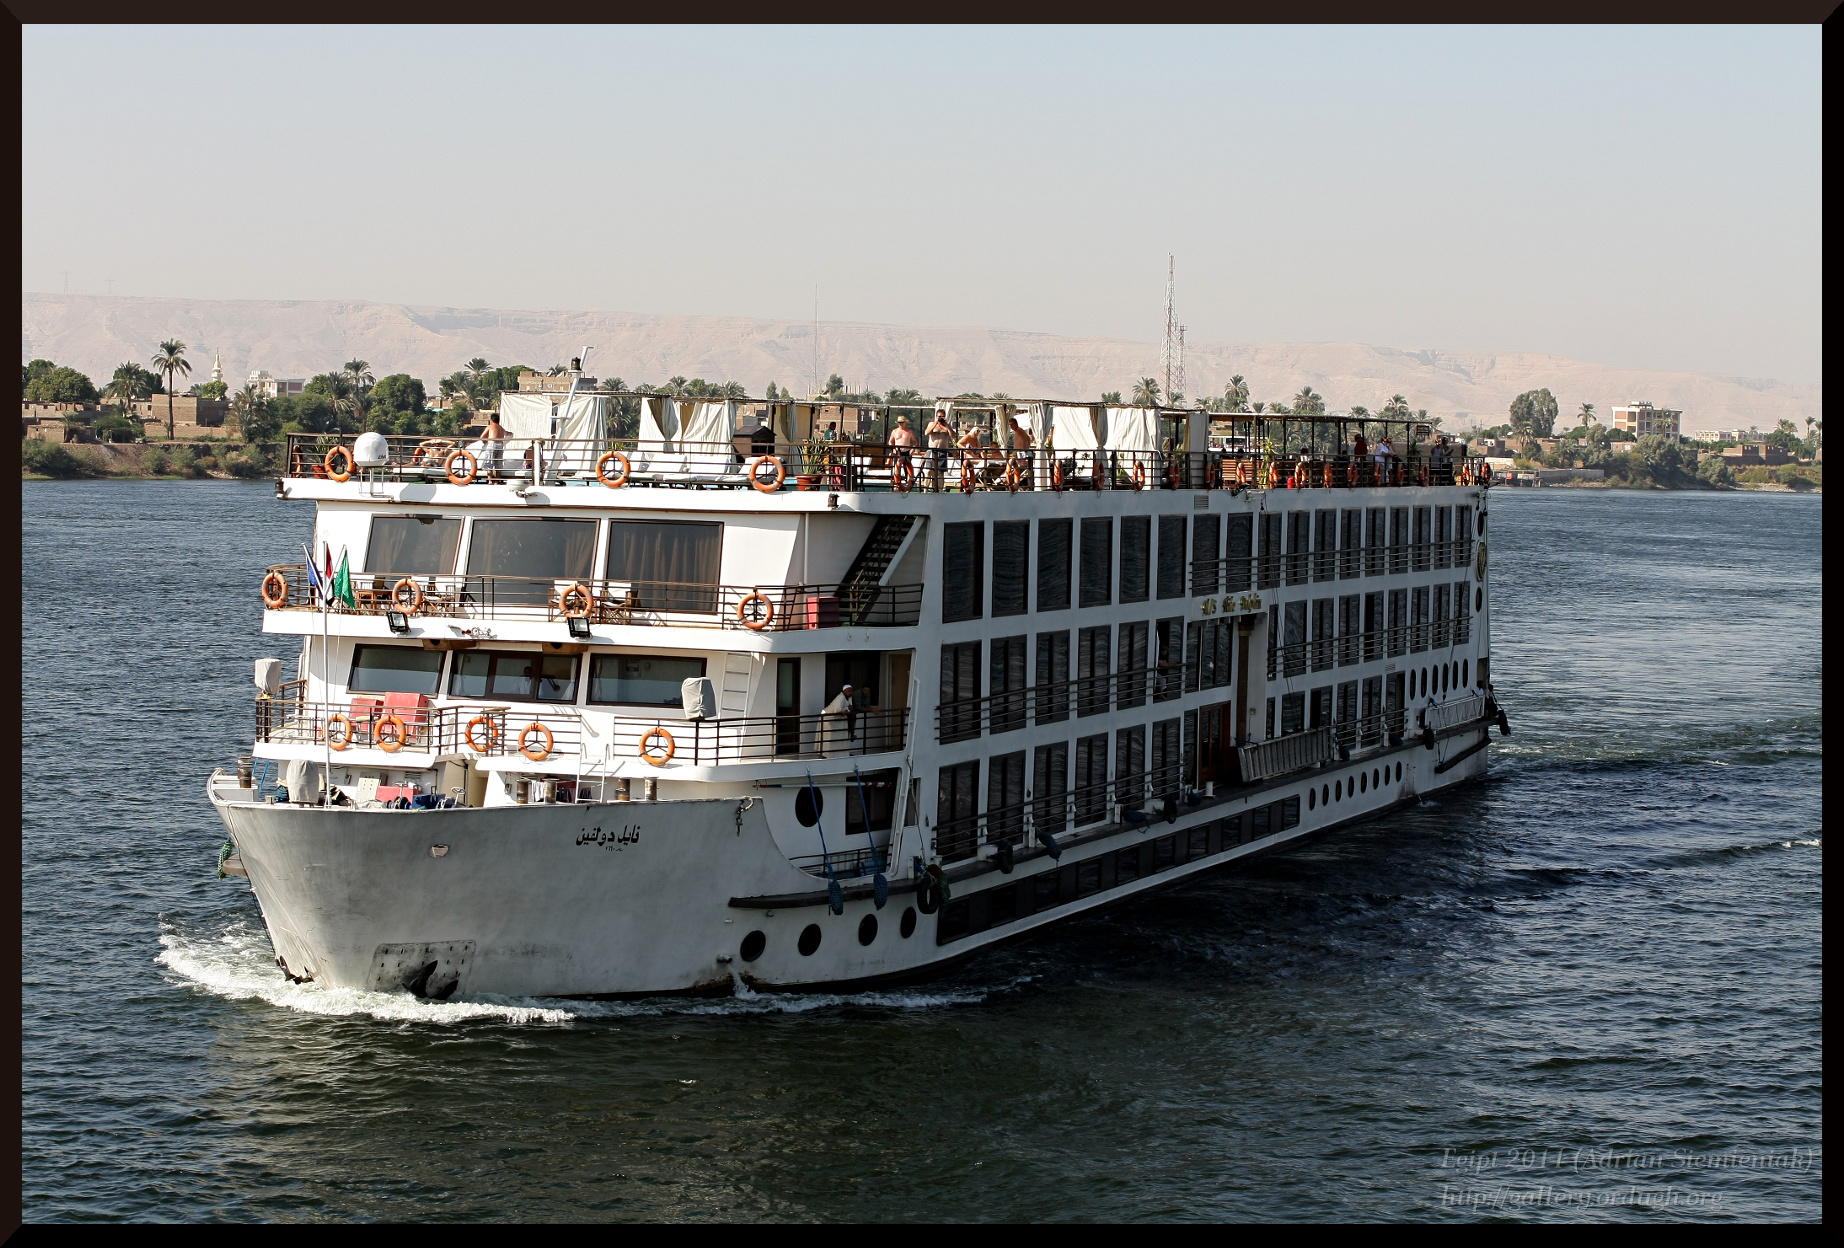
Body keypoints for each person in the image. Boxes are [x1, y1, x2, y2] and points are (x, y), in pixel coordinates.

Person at [926, 409, 954, 491]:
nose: (941, 418)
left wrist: (947, 426)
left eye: (942, 416)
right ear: (936, 416)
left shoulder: (947, 426)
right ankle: (925, 490)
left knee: (941, 472)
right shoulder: (931, 424)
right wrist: (936, 423)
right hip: (932, 450)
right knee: (929, 471)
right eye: (939, 416)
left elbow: (953, 436)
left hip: (942, 451)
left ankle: (941, 490)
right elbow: (926, 433)